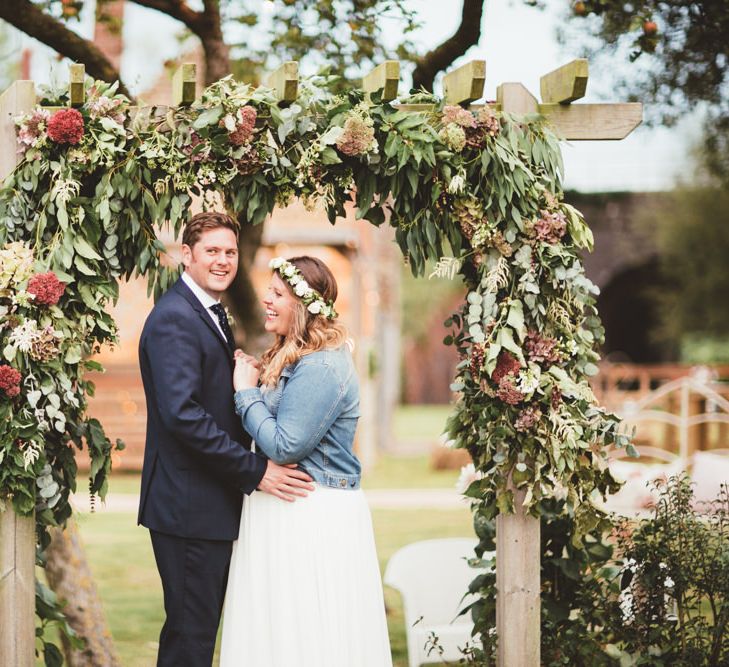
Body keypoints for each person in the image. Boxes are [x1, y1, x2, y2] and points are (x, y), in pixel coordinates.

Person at [137, 212, 314, 667]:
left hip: (203, 502)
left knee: (196, 631)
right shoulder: (175, 317)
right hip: (188, 506)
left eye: (230, 252)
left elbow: (205, 396)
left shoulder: (207, 311)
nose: (222, 260)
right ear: (186, 255)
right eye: (211, 251)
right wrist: (255, 471)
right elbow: (183, 416)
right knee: (190, 639)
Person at [220, 255, 393, 667]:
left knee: (309, 630)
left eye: (277, 293)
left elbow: (285, 445)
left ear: (303, 303)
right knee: (279, 630)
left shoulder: (323, 364)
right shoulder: (292, 355)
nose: (266, 299)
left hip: (313, 513)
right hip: (287, 510)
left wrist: (245, 393)